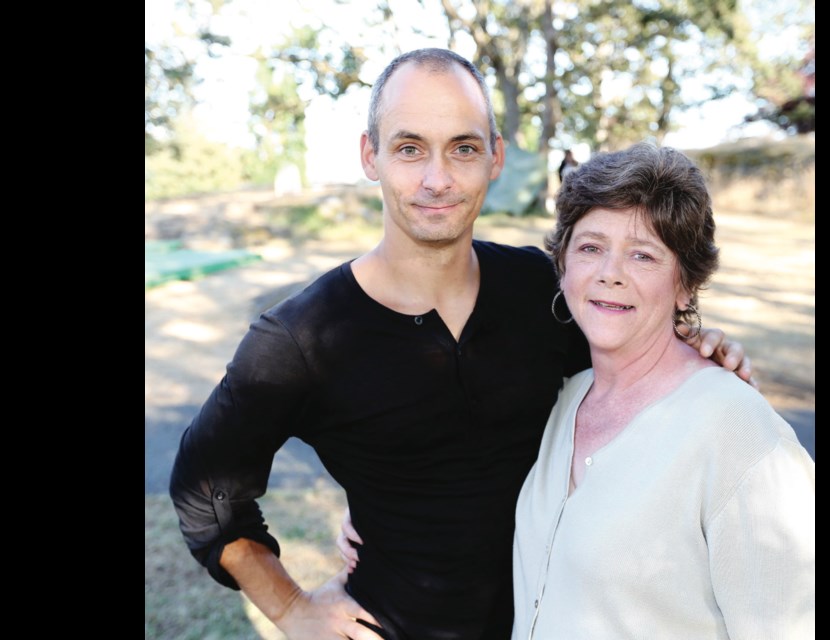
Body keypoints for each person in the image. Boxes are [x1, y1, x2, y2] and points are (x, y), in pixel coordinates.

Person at [169, 48, 754, 640]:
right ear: (370, 155)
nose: (438, 178)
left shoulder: (539, 290)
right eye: (409, 148)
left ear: (495, 157)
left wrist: (698, 348)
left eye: (464, 148)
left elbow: (625, 376)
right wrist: (293, 608)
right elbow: (204, 490)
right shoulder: (300, 337)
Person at [510, 142, 815, 639]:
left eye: (643, 255)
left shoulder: (742, 436)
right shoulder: (564, 399)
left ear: (685, 285)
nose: (610, 272)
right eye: (590, 247)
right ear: (563, 264)